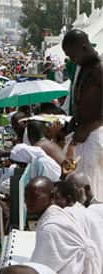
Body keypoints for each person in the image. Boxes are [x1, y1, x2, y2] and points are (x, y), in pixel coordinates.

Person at [26, 176, 101, 274]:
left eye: (34, 197)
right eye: (26, 197)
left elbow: (40, 272)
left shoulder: (51, 227)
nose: (28, 201)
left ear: (51, 197)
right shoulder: (56, 217)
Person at [62, 29, 103, 201]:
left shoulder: (99, 69)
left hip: (96, 133)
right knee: (75, 180)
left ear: (84, 47)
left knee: (91, 184)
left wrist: (89, 127)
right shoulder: (83, 68)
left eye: (73, 55)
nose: (72, 60)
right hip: (82, 134)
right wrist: (74, 123)